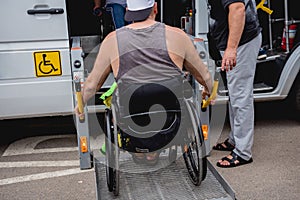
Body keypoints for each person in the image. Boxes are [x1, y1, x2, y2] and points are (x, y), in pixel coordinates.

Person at [76, 0, 213, 164]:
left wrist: (81, 104)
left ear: (127, 11)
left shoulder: (113, 40)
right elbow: (202, 74)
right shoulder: (177, 35)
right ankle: (152, 151)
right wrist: (209, 90)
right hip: (170, 113)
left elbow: (93, 84)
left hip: (131, 113)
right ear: (155, 8)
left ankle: (140, 151)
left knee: (120, 103)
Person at [208, 0, 262, 168]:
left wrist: (232, 49)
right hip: (236, 40)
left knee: (240, 95)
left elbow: (238, 9)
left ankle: (243, 152)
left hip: (242, 42)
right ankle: (234, 140)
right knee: (235, 93)